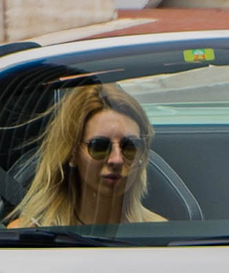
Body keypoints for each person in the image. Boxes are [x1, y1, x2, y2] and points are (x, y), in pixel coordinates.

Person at [8, 83, 166, 228]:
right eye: (99, 147)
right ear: (72, 153)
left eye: (130, 147)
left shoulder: (160, 234)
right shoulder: (28, 236)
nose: (116, 159)